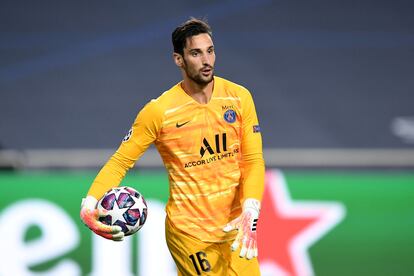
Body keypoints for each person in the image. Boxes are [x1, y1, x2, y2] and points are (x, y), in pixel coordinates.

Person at [80, 17, 265, 275]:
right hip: (189, 233)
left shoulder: (239, 97)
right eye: (196, 53)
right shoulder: (159, 111)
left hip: (235, 231)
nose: (206, 60)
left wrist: (251, 207)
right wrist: (88, 204)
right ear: (179, 59)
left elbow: (253, 160)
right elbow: (121, 161)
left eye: (210, 51)